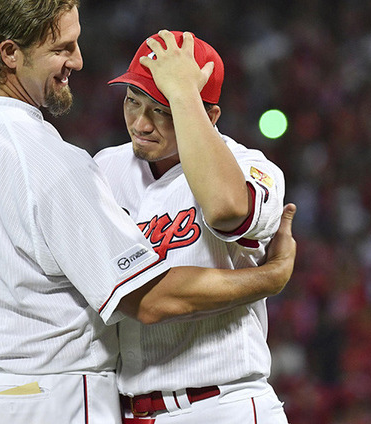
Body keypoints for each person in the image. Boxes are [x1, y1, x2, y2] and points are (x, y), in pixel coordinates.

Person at [0, 0, 296, 424]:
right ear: (10, 54)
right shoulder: (67, 163)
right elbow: (150, 300)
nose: (78, 60)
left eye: (163, 108)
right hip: (48, 395)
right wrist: (270, 278)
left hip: (213, 404)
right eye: (62, 48)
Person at [94, 30, 290, 423]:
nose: (141, 123)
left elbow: (226, 210)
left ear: (209, 113)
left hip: (223, 403)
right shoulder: (104, 167)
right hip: (128, 410)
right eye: (133, 102)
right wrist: (268, 279)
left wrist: (182, 93)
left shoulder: (251, 165)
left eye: (161, 111)